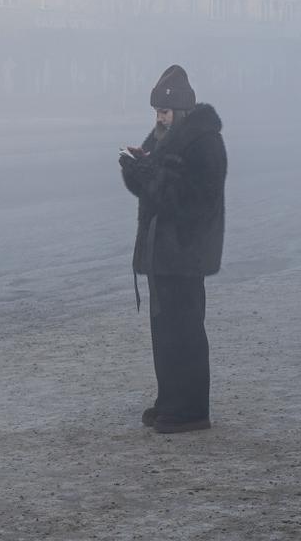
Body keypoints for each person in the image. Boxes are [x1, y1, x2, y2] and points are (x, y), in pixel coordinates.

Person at [119, 65, 227, 434]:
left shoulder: (206, 142)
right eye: (156, 112)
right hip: (161, 253)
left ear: (181, 110)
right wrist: (134, 170)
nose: (159, 118)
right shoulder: (162, 137)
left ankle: (192, 410)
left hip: (186, 253)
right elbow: (151, 192)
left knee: (186, 333)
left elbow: (194, 202)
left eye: (164, 112)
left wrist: (150, 175)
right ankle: (170, 400)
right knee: (164, 333)